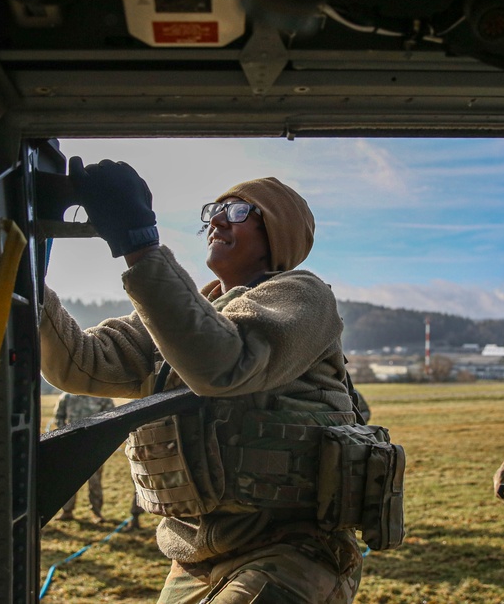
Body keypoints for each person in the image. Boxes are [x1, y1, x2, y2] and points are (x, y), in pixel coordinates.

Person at [39, 159, 370, 603]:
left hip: (291, 549)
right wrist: (24, 272)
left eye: (237, 211)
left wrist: (140, 245)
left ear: (278, 233)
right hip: (194, 557)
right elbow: (81, 363)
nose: (215, 219)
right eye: (214, 209)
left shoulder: (302, 296)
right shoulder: (181, 313)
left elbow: (222, 364)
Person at [51, 392, 116, 523]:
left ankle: (96, 513)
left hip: (94, 447)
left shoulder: (102, 396)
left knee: (95, 481)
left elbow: (111, 418)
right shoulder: (67, 396)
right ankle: (67, 511)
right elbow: (59, 417)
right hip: (71, 446)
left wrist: (99, 439)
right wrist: (66, 435)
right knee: (68, 481)